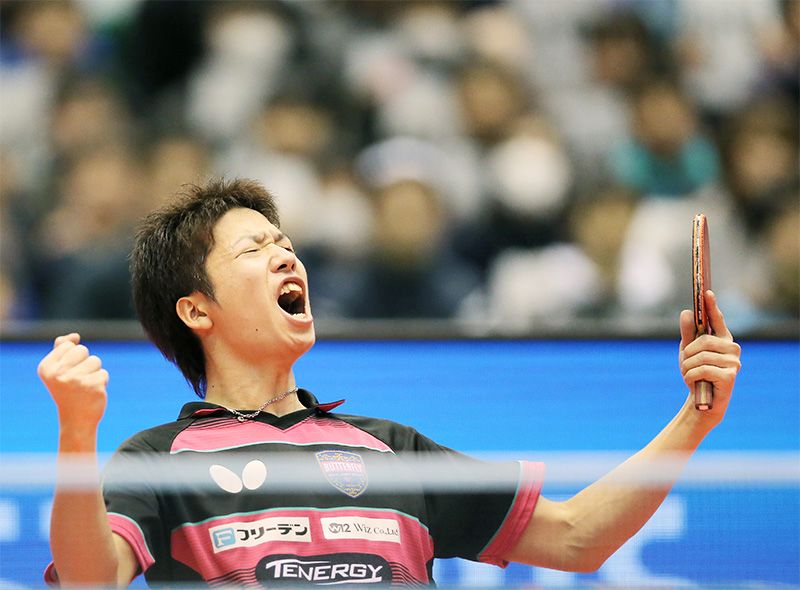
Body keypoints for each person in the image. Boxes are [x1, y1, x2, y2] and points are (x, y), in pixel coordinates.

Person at [37, 178, 742, 586]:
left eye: (285, 243)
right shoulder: (158, 461)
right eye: (254, 248)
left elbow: (578, 538)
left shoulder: (391, 449)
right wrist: (76, 430)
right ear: (196, 310)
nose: (285, 257)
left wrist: (695, 421)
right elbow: (90, 579)